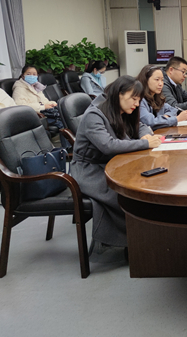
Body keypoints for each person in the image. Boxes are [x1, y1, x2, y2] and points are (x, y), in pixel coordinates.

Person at [71, 76, 161, 252]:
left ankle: (142, 237)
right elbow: (108, 146)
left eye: (139, 100)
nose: (136, 104)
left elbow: (140, 124)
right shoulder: (94, 115)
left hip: (112, 163)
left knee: (146, 181)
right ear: (119, 94)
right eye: (133, 99)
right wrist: (145, 143)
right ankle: (131, 241)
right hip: (89, 171)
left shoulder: (118, 109)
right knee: (128, 193)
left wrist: (145, 135)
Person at [137, 65, 187, 130]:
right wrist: (177, 119)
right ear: (146, 80)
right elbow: (150, 122)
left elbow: (173, 109)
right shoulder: (139, 100)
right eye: (157, 80)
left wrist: (166, 117)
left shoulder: (157, 97)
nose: (160, 84)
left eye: (162, 80)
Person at [12, 65, 64, 129]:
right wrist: (43, 106)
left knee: (65, 116)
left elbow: (44, 100)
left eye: (34, 74)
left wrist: (51, 103)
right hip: (34, 116)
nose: (32, 76)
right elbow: (21, 106)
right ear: (23, 75)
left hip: (44, 112)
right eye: (28, 74)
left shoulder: (36, 86)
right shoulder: (19, 88)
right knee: (62, 122)